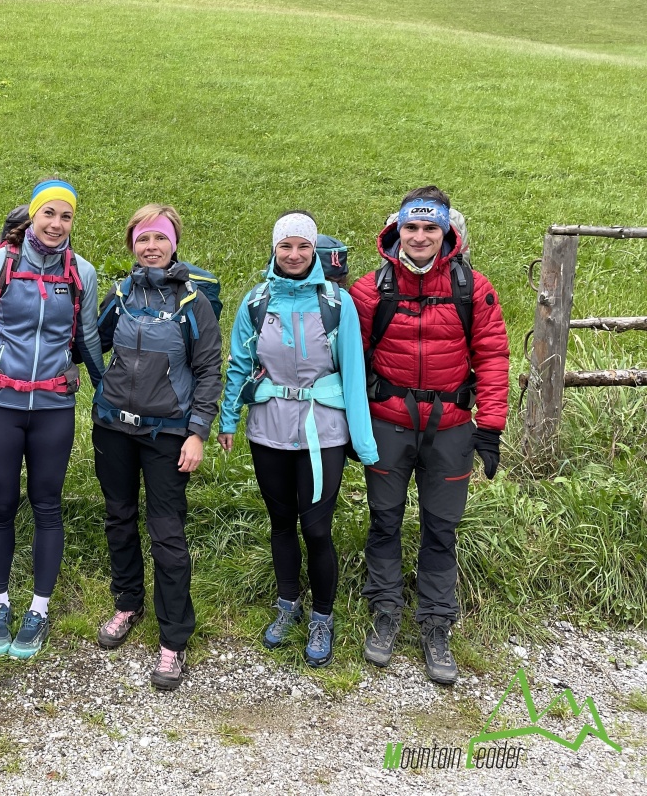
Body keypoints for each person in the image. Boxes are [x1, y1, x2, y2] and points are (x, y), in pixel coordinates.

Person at [350, 187, 509, 685]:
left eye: (429, 228)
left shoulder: (473, 288)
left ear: (446, 232)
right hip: (387, 426)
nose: (419, 237)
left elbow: (493, 358)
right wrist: (350, 429)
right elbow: (349, 367)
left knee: (442, 529)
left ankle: (437, 625)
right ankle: (386, 612)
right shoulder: (369, 290)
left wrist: (492, 427)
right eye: (411, 228)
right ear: (396, 231)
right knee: (384, 521)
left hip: (452, 431)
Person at [217, 212, 378, 667]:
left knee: (317, 527)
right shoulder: (256, 301)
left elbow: (353, 373)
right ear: (274, 250)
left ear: (315, 252)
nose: (293, 255)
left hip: (322, 430)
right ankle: (288, 604)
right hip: (268, 428)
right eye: (285, 247)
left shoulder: (336, 303)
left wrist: (363, 445)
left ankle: (322, 617)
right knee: (281, 521)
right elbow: (239, 364)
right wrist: (228, 419)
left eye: (302, 248)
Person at [91, 204, 222, 690]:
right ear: (132, 245)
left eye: (160, 239)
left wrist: (198, 431)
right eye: (143, 239)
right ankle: (127, 603)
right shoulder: (120, 295)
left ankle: (174, 639)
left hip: (168, 435)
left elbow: (210, 369)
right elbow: (90, 343)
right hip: (112, 429)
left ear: (173, 244)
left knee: (168, 536)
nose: (151, 247)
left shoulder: (193, 302)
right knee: (118, 519)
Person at [0, 180, 103, 659]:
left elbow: (87, 335)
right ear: (33, 217)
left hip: (53, 407)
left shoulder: (81, 272)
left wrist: (104, 388)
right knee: (1, 504)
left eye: (65, 216)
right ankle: (1, 602)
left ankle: (40, 609)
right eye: (48, 214)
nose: (56, 224)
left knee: (47, 503)